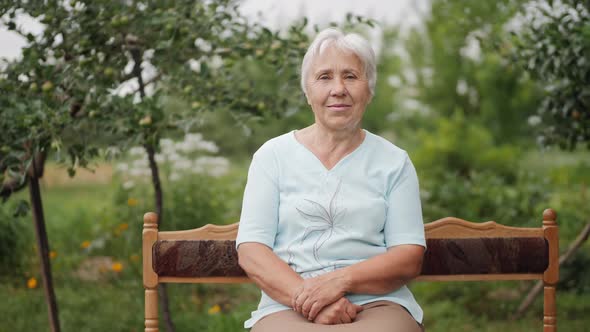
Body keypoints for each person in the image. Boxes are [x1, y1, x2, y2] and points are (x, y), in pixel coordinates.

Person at [236, 28, 426, 332]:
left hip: (377, 305)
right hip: (288, 305)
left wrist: (339, 281)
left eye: (351, 76)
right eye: (324, 77)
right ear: (308, 92)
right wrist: (310, 299)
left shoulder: (394, 162)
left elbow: (408, 256)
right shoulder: (272, 157)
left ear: (369, 90)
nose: (338, 88)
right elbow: (252, 250)